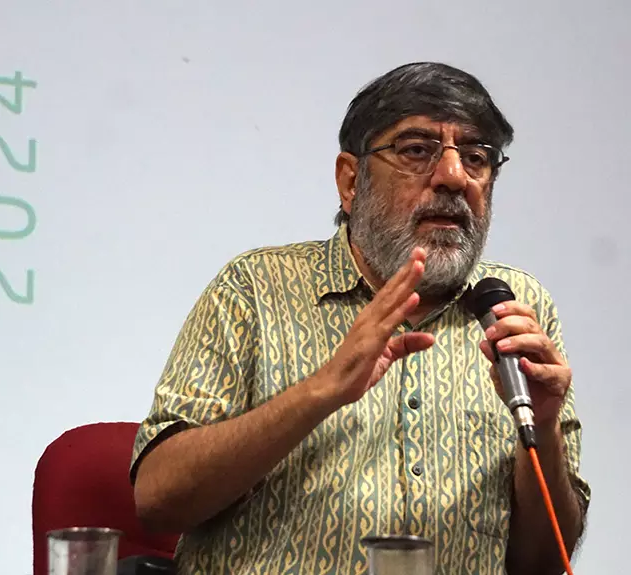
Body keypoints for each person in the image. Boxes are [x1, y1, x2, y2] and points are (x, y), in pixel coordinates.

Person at [129, 62, 590, 575]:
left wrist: (542, 428)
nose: (454, 177)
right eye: (417, 150)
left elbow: (545, 562)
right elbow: (158, 498)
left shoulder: (517, 307)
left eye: (476, 157)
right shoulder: (254, 289)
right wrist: (322, 389)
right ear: (351, 181)